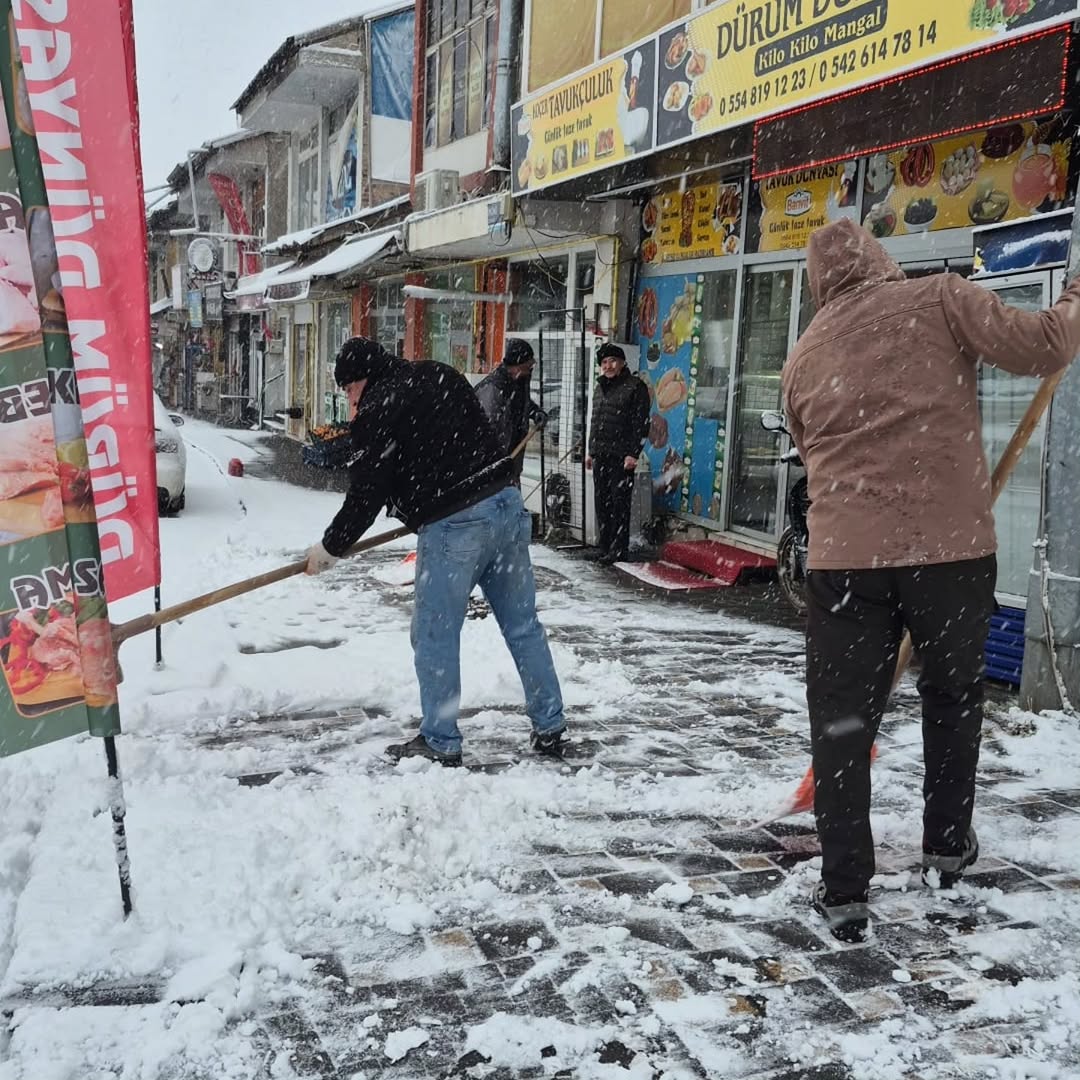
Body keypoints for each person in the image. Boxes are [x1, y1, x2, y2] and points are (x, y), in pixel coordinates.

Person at [783, 216, 1080, 943]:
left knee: (843, 721)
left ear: (819, 284)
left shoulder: (804, 354)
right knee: (952, 697)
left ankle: (844, 887)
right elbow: (1043, 344)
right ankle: (946, 849)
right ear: (879, 258)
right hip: (949, 553)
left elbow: (809, 449)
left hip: (846, 563)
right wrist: (1074, 300)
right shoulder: (940, 298)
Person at [305, 338, 567, 767]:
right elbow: (453, 437)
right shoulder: (436, 372)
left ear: (362, 379)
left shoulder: (378, 406)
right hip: (505, 505)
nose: (350, 401)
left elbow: (367, 495)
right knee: (523, 625)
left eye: (349, 390)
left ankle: (441, 740)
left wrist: (330, 547)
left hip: (456, 523)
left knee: (435, 634)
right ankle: (550, 723)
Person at [585, 343, 651, 564]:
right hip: (601, 453)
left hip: (621, 456)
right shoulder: (600, 387)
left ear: (622, 363)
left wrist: (633, 453)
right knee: (602, 502)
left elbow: (641, 423)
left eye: (613, 361)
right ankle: (604, 546)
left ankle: (618, 549)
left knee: (618, 503)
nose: (608, 366)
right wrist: (591, 451)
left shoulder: (635, 387)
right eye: (604, 362)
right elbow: (595, 421)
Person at [474, 337, 545, 483]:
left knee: (512, 494)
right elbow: (487, 433)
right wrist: (497, 464)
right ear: (518, 366)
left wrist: (534, 412)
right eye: (529, 364)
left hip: (512, 464)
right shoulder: (493, 389)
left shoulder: (519, 381)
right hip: (494, 468)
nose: (531, 368)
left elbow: (522, 403)